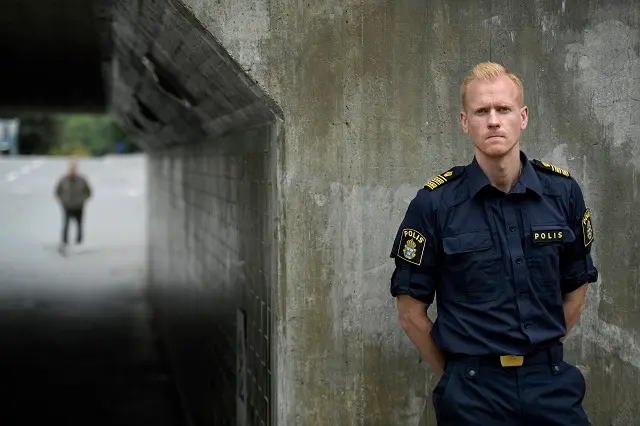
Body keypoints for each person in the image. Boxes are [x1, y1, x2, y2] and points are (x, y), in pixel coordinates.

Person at [390, 62, 598, 425]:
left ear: (523, 117)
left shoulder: (563, 194)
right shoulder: (434, 204)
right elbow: (410, 314)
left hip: (549, 384)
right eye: (481, 111)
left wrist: (534, 355)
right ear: (464, 121)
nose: (493, 121)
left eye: (503, 109)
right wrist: (457, 375)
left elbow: (575, 292)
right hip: (472, 393)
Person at [54, 158, 92, 254]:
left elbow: (88, 192)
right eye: (71, 168)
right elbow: (57, 192)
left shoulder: (82, 180)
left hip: (79, 206)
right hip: (67, 206)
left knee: (79, 225)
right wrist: (63, 201)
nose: (72, 170)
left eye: (74, 168)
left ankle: (79, 242)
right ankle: (64, 242)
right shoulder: (63, 180)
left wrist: (83, 200)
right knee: (66, 224)